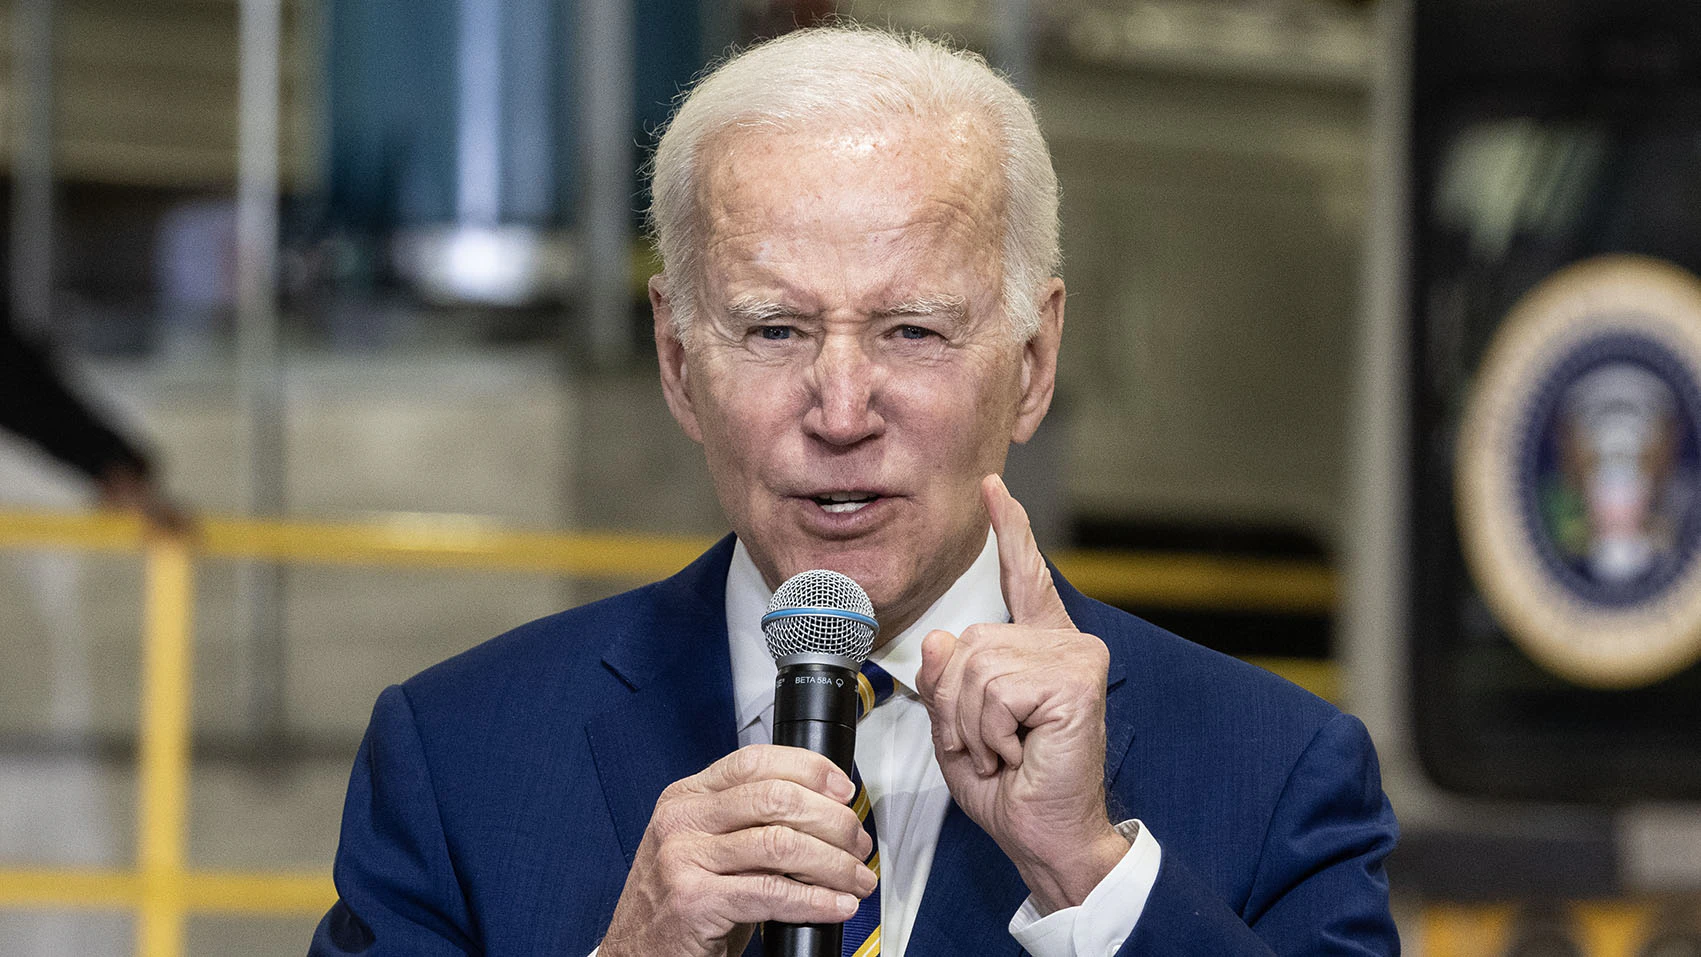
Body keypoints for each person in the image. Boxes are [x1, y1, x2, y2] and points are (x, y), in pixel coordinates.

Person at [311, 25, 1397, 957]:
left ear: (1032, 362)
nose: (839, 410)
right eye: (774, 330)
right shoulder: (460, 759)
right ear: (679, 363)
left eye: (911, 332)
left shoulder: (1277, 778)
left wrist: (1088, 875)